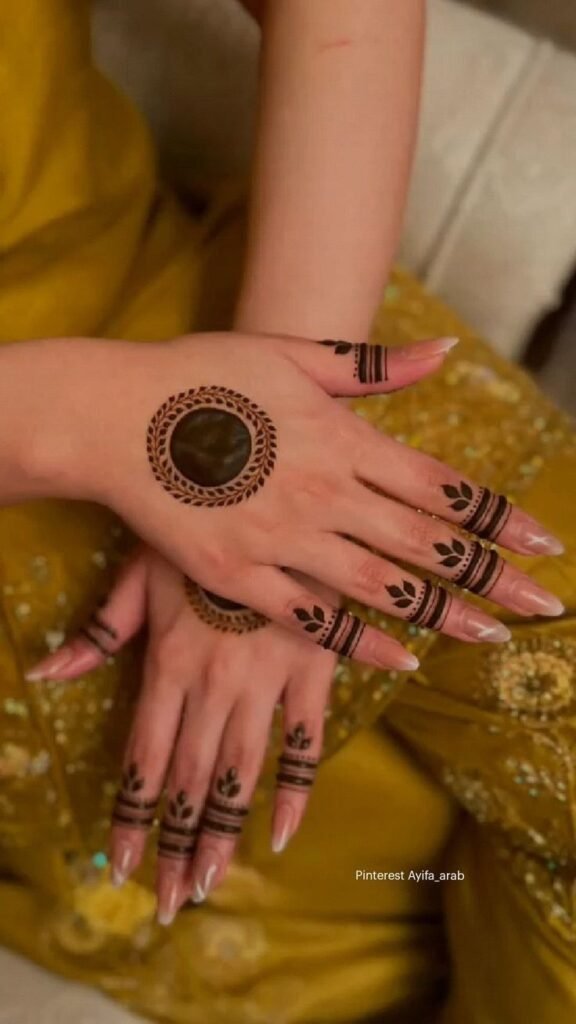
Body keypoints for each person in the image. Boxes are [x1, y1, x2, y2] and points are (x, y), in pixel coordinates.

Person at [0, 1, 574, 1021]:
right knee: (370, 925)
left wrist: (267, 417)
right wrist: (81, 425)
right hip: (42, 546)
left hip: (232, 323)